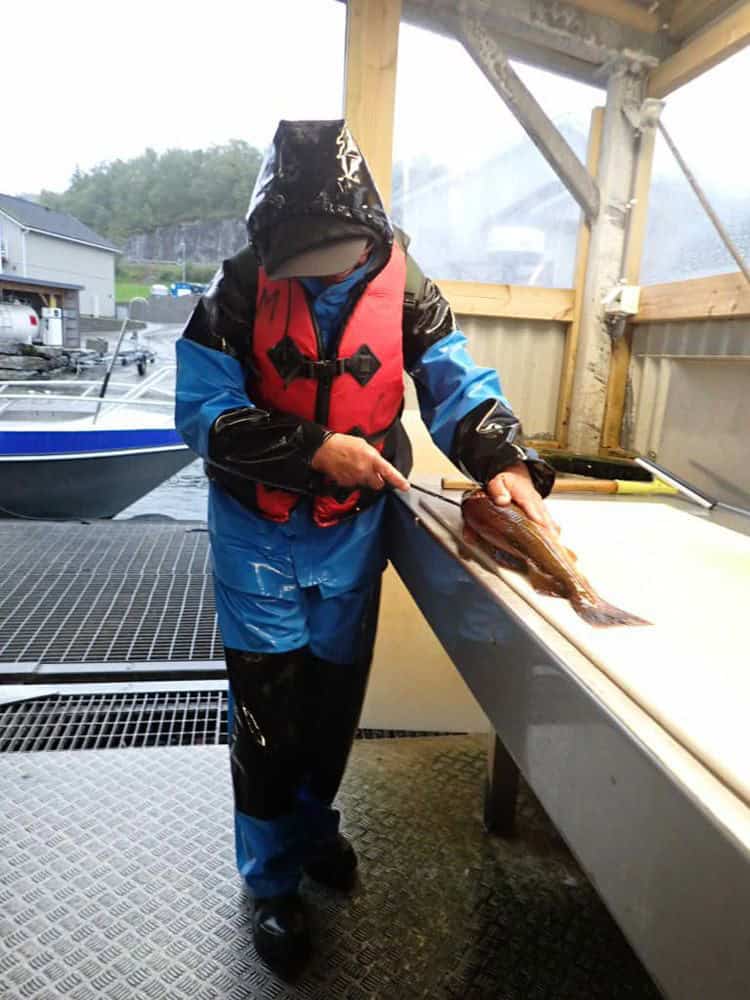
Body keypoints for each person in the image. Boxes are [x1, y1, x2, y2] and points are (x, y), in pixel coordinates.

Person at [175, 119, 556, 976]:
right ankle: (270, 881)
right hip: (257, 534)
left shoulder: (410, 290)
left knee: (334, 706)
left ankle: (314, 830)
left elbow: (457, 385)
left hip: (349, 535)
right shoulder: (237, 288)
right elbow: (202, 411)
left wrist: (506, 462)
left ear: (369, 238)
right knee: (270, 717)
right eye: (295, 256)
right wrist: (311, 449)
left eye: (330, 253)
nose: (312, 272)